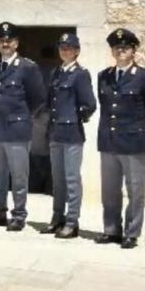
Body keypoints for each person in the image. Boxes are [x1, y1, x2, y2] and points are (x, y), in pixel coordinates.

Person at [95, 28, 145, 249]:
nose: (120, 50)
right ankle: (111, 229)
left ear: (134, 51)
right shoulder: (103, 76)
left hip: (133, 143)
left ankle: (132, 233)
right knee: (110, 190)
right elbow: (106, 108)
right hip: (109, 142)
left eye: (125, 47)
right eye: (116, 47)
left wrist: (137, 130)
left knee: (135, 190)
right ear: (112, 51)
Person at [0, 21, 47, 231]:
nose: (5, 44)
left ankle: (18, 214)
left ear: (16, 43)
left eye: (9, 40)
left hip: (17, 131)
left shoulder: (28, 67)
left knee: (19, 175)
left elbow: (38, 99)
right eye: (2, 41)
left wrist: (22, 118)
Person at [43, 32, 96, 239]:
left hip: (72, 133)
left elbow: (89, 104)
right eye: (62, 48)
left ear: (76, 51)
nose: (64, 51)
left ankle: (72, 222)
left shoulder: (80, 74)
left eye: (68, 48)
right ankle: (57, 218)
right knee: (58, 180)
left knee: (72, 179)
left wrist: (74, 117)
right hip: (55, 132)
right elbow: (50, 102)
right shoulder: (55, 73)